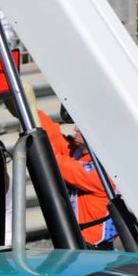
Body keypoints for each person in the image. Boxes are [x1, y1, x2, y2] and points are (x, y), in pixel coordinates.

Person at [37, 107, 116, 249]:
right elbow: (53, 136)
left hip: (96, 252)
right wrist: (29, 108)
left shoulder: (102, 171)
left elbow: (54, 161)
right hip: (80, 247)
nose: (75, 129)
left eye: (82, 126)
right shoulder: (80, 154)